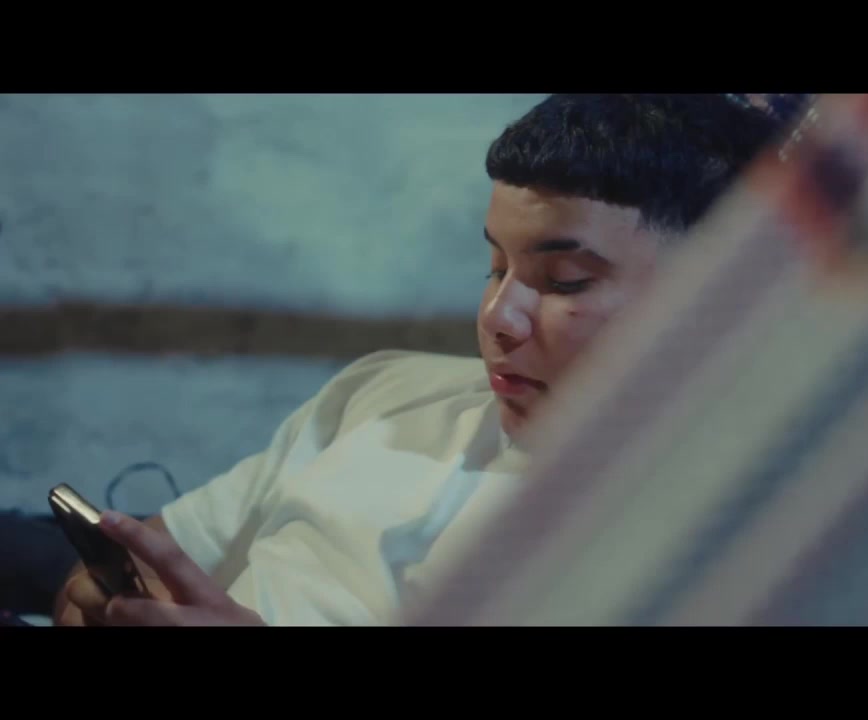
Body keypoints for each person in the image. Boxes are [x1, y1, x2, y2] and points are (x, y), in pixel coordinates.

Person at [52, 94, 798, 626]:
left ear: (714, 295)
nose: (496, 317)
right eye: (495, 267)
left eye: (564, 281)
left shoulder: (731, 529)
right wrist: (97, 597)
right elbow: (143, 562)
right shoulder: (384, 390)